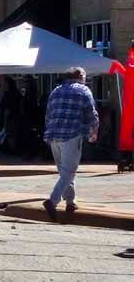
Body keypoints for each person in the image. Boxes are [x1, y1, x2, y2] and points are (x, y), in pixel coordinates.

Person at [41, 67, 99, 222]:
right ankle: (52, 201)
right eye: (85, 76)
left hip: (53, 135)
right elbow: (91, 114)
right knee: (69, 171)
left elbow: (48, 114)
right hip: (72, 135)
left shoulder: (56, 91)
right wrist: (94, 131)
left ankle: (70, 202)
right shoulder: (83, 90)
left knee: (64, 172)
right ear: (80, 76)